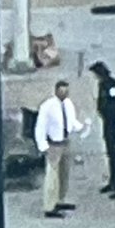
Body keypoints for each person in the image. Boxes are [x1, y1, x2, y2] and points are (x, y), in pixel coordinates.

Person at [33, 80, 84, 218]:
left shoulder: (68, 104)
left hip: (65, 141)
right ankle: (49, 205)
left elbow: (71, 120)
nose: (64, 94)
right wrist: (43, 145)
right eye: (61, 91)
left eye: (66, 91)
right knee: (52, 175)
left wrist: (80, 127)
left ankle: (60, 199)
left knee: (64, 173)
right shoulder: (48, 106)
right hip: (53, 144)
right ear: (56, 91)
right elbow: (41, 126)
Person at [89, 61, 115, 198]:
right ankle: (114, 182)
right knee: (111, 154)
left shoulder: (112, 85)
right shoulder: (104, 85)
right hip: (108, 123)